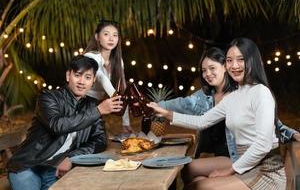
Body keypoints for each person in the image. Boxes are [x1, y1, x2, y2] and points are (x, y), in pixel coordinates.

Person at [148, 38, 287, 189]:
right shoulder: (234, 97)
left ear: (252, 60)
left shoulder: (260, 92)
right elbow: (202, 121)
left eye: (240, 59)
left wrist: (229, 170)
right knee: (194, 182)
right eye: (229, 60)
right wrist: (166, 113)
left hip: (266, 169)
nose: (234, 65)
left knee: (199, 187)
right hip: (245, 165)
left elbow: (263, 144)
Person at [6, 56, 123, 190]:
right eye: (77, 75)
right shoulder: (48, 98)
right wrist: (98, 111)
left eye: (88, 77)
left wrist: (70, 157)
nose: (82, 82)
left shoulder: (92, 105)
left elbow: (99, 140)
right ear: (68, 75)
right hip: (27, 166)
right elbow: (58, 125)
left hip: (55, 169)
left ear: (93, 81)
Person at [84, 20, 133, 133]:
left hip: (98, 106)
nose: (111, 38)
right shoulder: (90, 56)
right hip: (81, 104)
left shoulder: (118, 61)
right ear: (97, 37)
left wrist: (126, 123)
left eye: (115, 35)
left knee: (100, 139)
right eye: (106, 34)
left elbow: (123, 89)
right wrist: (115, 96)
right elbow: (101, 77)